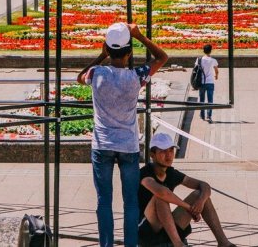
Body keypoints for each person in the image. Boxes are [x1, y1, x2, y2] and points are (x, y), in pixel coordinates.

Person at [78, 23, 170, 247]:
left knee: (104, 201)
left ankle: (106, 244)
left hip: (102, 144)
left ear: (108, 50)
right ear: (129, 53)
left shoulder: (97, 74)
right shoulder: (136, 76)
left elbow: (80, 76)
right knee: (130, 203)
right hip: (128, 145)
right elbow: (162, 57)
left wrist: (101, 56)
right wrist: (139, 35)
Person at [138, 132, 235, 247]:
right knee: (160, 198)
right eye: (163, 151)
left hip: (168, 226)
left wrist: (201, 201)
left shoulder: (171, 173)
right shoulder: (145, 173)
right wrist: (189, 208)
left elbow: (204, 185)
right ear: (152, 155)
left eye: (171, 151)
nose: (168, 155)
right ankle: (178, 244)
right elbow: (162, 192)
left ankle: (223, 242)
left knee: (200, 194)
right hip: (147, 228)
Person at [196, 44, 219, 123]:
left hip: (201, 82)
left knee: (202, 99)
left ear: (203, 50)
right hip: (210, 82)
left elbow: (196, 70)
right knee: (210, 100)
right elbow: (216, 70)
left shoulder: (199, 59)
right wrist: (216, 75)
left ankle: (202, 115)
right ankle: (209, 116)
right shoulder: (213, 60)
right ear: (211, 51)